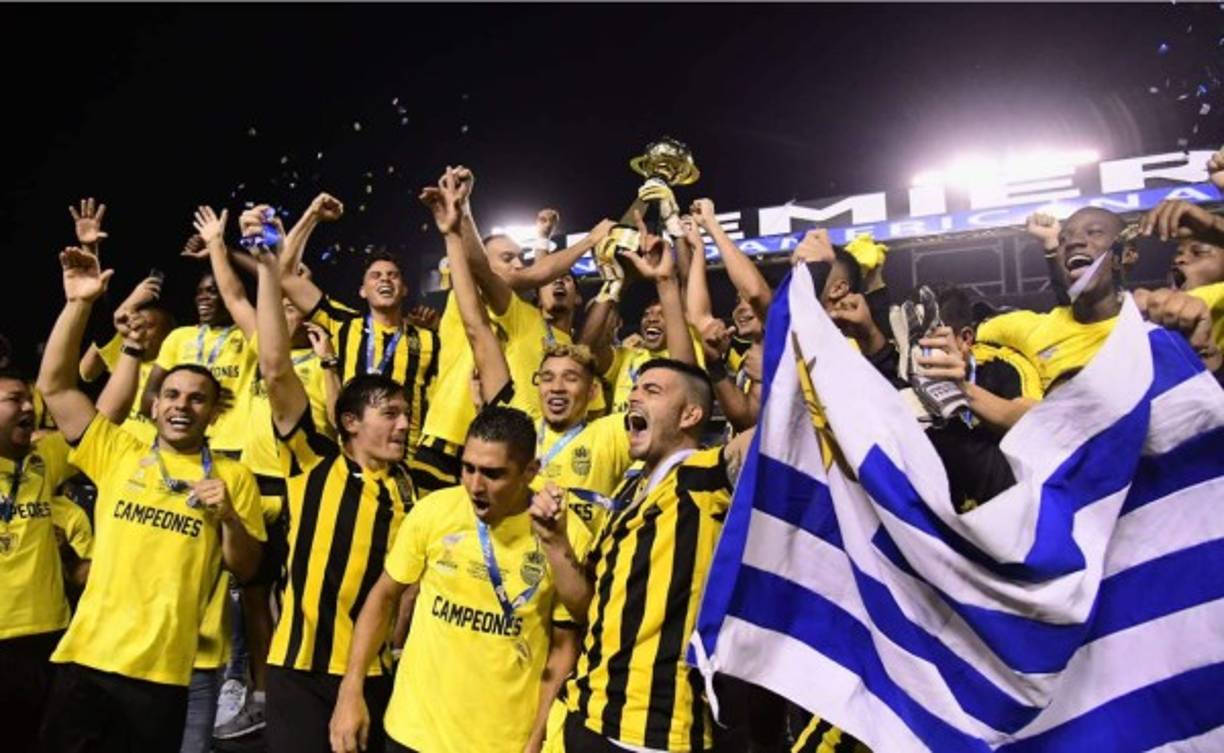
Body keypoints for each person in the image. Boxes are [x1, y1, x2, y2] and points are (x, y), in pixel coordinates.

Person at [37, 245, 264, 752]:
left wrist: (229, 517)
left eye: (198, 399)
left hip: (163, 673)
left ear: (215, 413)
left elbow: (247, 568)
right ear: (155, 404)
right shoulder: (116, 450)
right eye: (173, 396)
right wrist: (78, 304)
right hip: (87, 659)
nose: (183, 406)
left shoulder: (233, 478)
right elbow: (54, 386)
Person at [330, 406, 592, 753]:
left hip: (500, 742)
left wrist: (536, 740)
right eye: (468, 468)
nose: (475, 485)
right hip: (411, 731)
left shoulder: (565, 534)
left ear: (530, 471)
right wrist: (351, 690)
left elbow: (564, 648)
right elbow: (383, 596)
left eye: (493, 474)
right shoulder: (434, 511)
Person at [530, 357, 753, 753]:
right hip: (584, 712)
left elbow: (776, 437)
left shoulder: (702, 478)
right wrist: (554, 541)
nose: (634, 396)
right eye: (634, 388)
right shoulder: (626, 492)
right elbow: (586, 607)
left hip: (650, 733)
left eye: (652, 390)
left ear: (690, 415)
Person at [252, 233, 415, 753]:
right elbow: (275, 367)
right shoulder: (313, 460)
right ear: (350, 422)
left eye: (407, 414)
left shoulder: (415, 489)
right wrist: (267, 271)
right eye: (390, 414)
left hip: (375, 674)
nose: (404, 425)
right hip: (299, 669)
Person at [185, 206, 342, 742]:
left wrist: (329, 366)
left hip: (300, 491)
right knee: (251, 597)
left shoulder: (321, 364)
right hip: (252, 488)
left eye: (295, 304)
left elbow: (339, 426)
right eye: (281, 304)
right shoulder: (261, 348)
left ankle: (297, 693)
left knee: (298, 598)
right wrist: (216, 243)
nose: (286, 310)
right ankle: (258, 692)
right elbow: (235, 296)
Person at [419, 168, 633, 516]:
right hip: (450, 440)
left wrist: (614, 279)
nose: (518, 264)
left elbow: (541, 284)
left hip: (509, 454)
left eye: (520, 257)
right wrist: (587, 241)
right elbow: (509, 273)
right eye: (508, 258)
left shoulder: (557, 340)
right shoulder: (491, 301)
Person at [278, 192, 439, 455]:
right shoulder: (342, 323)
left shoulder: (429, 339)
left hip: (406, 460)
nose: (384, 279)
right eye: (375, 275)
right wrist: (312, 216)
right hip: (351, 458)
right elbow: (284, 275)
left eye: (393, 275)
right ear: (363, 291)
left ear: (404, 289)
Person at [0, 371, 91, 753]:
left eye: (29, 399)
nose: (28, 407)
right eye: (14, 399)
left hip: (48, 632)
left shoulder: (44, 459)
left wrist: (130, 352)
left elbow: (100, 420)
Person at [975, 207, 1128, 393]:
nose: (1074, 242)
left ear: (1127, 254)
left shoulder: (1144, 328)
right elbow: (963, 334)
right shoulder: (1034, 329)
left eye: (1094, 232)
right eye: (1064, 239)